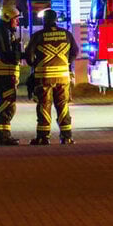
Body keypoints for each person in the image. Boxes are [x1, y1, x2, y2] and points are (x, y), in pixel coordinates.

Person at [25, 9, 79, 145]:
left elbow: (29, 55)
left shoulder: (38, 35)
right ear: (56, 20)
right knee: (62, 105)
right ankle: (66, 136)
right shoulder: (67, 34)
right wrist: (67, 63)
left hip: (44, 77)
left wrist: (36, 65)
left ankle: (43, 137)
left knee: (44, 105)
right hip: (62, 76)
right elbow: (75, 51)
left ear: (44, 20)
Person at [0, 5, 22, 146]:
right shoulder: (3, 32)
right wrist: (18, 52)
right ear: (7, 18)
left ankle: (4, 136)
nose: (17, 22)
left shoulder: (3, 31)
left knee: (4, 105)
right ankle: (2, 137)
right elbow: (8, 55)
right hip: (4, 75)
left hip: (2, 75)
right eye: (16, 19)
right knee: (7, 105)